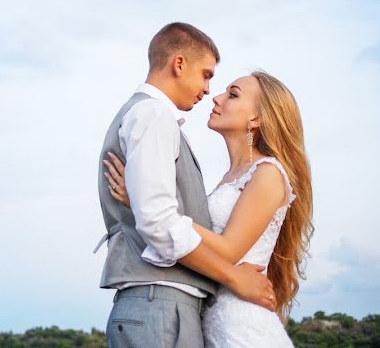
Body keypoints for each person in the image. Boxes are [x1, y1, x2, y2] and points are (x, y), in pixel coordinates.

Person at [95, 23, 276, 348]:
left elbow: (156, 216)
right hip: (161, 306)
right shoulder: (153, 115)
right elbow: (160, 222)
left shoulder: (148, 116)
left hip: (166, 306)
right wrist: (234, 277)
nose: (210, 90)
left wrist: (138, 203)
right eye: (206, 75)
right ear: (179, 64)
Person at [105, 69, 314, 347]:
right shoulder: (230, 178)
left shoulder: (268, 173)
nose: (216, 97)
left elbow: (228, 250)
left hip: (244, 328)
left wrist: (143, 204)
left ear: (256, 119)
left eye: (232, 95)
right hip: (212, 322)